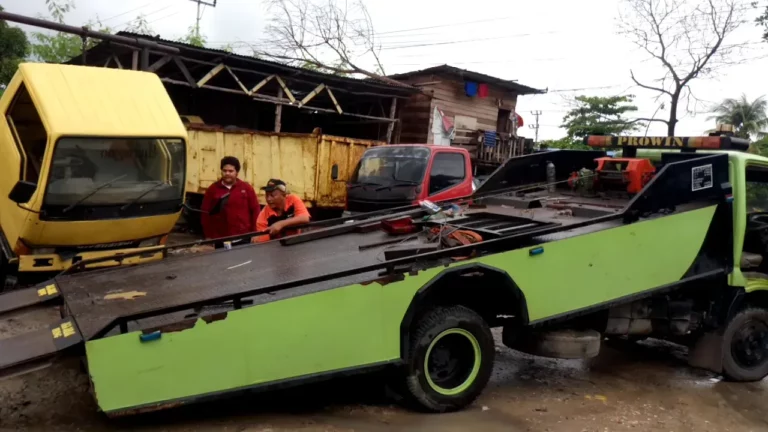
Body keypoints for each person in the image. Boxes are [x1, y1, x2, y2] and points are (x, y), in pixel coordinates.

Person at [201, 156, 261, 248]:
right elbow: (205, 214)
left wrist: (255, 232)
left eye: (230, 171)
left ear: (237, 172)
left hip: (243, 238)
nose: (227, 173)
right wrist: (208, 236)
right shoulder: (213, 189)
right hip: (220, 240)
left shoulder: (246, 188)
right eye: (224, 171)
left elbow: (255, 210)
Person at [253, 179, 310, 243]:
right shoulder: (263, 216)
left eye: (272, 195)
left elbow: (305, 218)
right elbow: (264, 243)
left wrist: (280, 224)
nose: (268, 199)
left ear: (283, 195)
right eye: (267, 195)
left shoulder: (293, 200)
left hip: (296, 243)